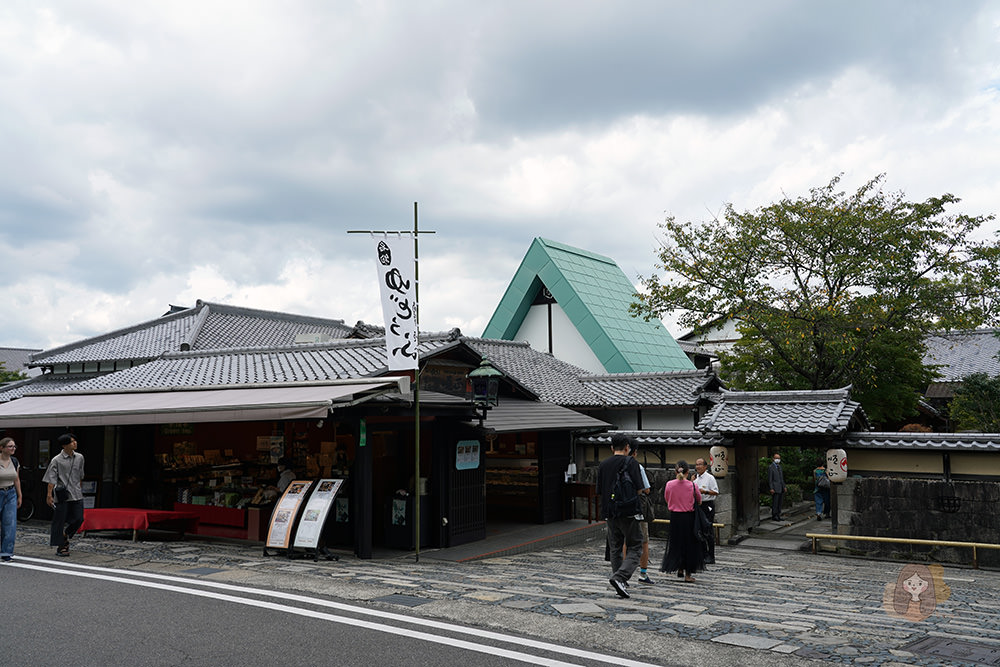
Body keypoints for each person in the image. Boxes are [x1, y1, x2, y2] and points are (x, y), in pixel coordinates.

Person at [597, 434, 644, 599]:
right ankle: (620, 577)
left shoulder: (603, 464)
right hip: (628, 511)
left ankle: (619, 580)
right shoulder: (631, 463)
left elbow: (600, 491)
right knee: (636, 546)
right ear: (627, 447)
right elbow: (639, 489)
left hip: (610, 511)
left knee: (615, 547)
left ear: (611, 448)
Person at [43, 433, 86, 557]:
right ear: (64, 445)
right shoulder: (56, 460)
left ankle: (65, 534)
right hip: (62, 494)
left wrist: (80, 488)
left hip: (77, 493)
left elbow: (80, 475)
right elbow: (51, 478)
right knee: (59, 520)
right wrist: (49, 495)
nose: (75, 443)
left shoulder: (80, 457)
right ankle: (61, 546)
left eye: (75, 441)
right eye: (72, 442)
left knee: (79, 518)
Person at [660, 460, 703, 583]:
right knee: (689, 545)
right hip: (688, 518)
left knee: (676, 544)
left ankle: (679, 568)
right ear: (688, 472)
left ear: (675, 471)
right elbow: (699, 500)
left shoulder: (669, 484)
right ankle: (688, 574)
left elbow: (667, 499)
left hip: (675, 517)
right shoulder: (692, 485)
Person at [623, 443, 654, 584]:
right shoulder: (637, 467)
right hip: (637, 509)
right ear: (634, 452)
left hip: (622, 508)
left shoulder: (616, 465)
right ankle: (643, 573)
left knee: (625, 541)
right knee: (644, 542)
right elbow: (646, 488)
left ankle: (623, 573)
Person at [0, 437, 23, 562]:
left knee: (10, 524)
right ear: (2, 448)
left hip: (10, 493)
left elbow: (16, 479)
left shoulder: (14, 461)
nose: (13, 448)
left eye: (14, 446)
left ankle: (6, 552)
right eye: (10, 446)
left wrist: (20, 495)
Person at [694, 457, 719, 564]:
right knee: (699, 531)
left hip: (707, 505)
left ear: (705, 466)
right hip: (698, 506)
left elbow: (716, 492)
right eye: (696, 464)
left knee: (708, 530)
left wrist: (705, 492)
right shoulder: (695, 478)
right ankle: (703, 554)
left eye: (700, 464)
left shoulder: (710, 478)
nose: (698, 467)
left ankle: (711, 555)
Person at [768, 452, 786, 521]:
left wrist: (784, 486)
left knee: (779, 502)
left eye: (779, 458)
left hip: (780, 487)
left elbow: (781, 478)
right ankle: (774, 515)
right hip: (775, 487)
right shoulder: (771, 467)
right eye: (776, 458)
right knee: (775, 502)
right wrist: (771, 488)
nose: (778, 460)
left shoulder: (779, 467)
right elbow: (770, 479)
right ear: (773, 459)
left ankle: (778, 515)